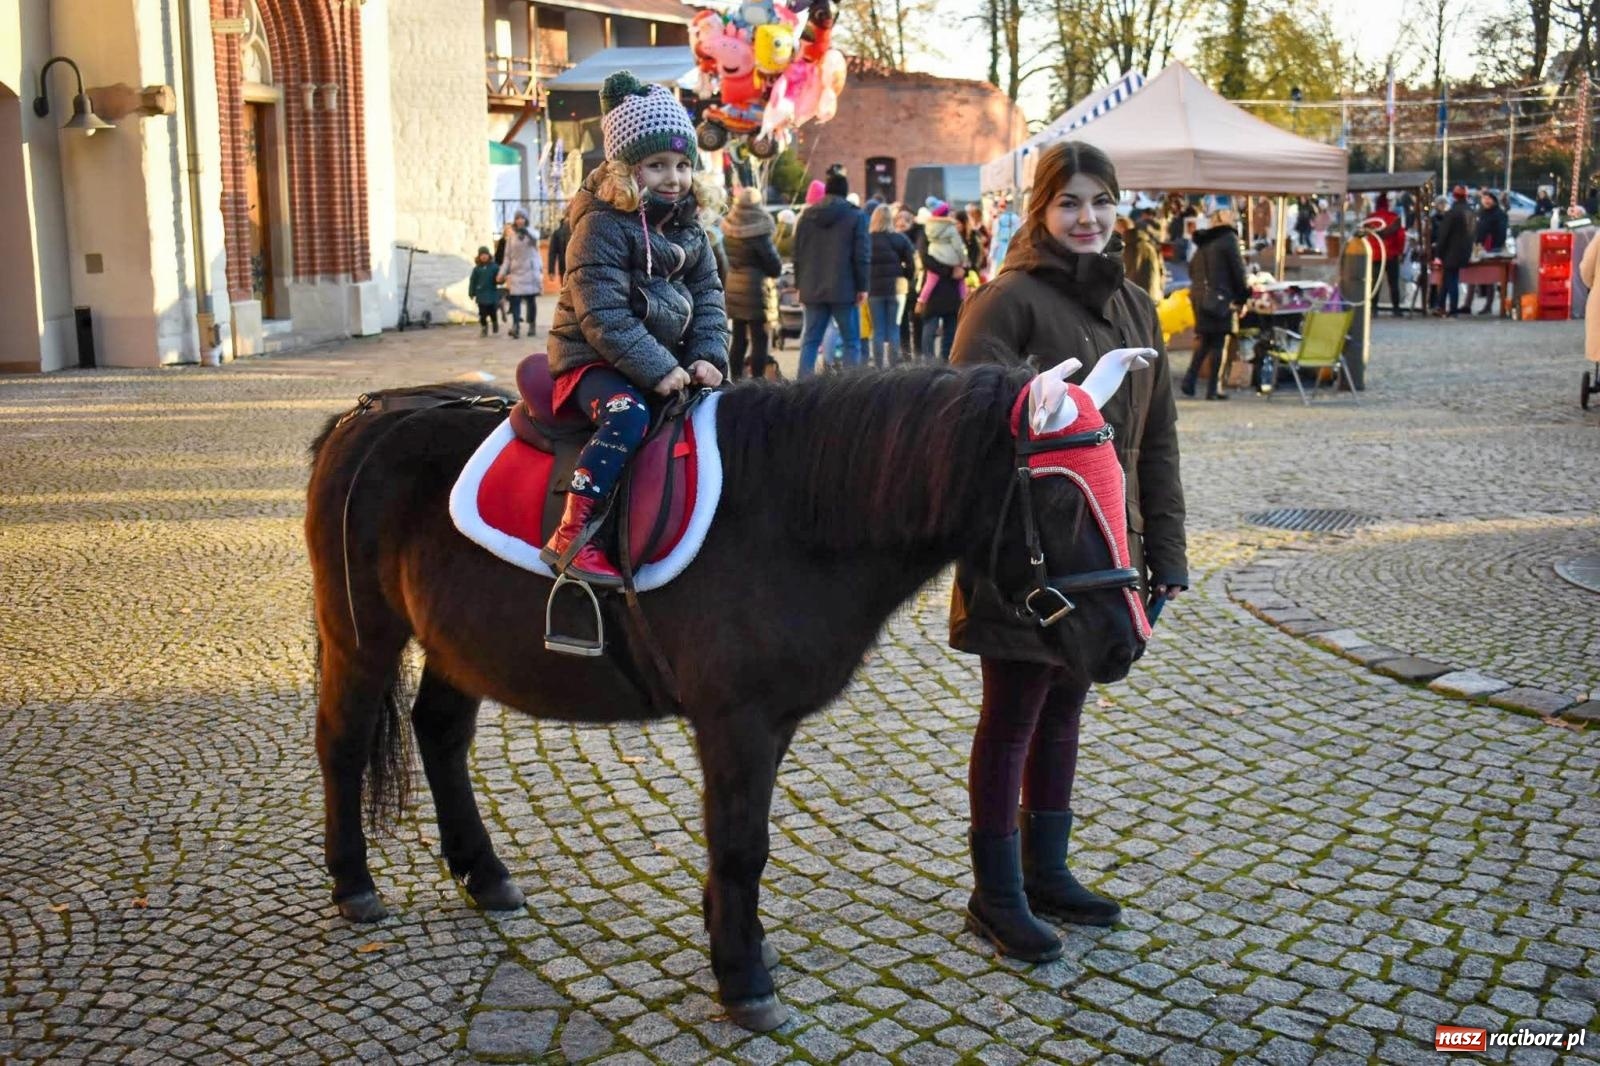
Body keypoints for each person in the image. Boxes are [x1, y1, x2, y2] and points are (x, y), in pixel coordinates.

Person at [949, 140, 1188, 960]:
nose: (1088, 219)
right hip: (1025, 558)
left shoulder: (1135, 304)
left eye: (1102, 203)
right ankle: (996, 891)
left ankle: (1047, 869)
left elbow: (1156, 443)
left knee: (1067, 708)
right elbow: (963, 433)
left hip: (1106, 556)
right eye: (1070, 203)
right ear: (1040, 210)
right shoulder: (1005, 303)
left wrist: (1169, 556)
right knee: (1013, 713)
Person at [542, 70, 729, 584]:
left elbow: (710, 298)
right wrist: (660, 367)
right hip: (592, 361)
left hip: (662, 361)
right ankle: (573, 533)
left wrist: (709, 355)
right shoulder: (601, 224)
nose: (673, 177)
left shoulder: (691, 229)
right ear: (627, 169)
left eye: (682, 164)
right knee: (628, 417)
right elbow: (602, 313)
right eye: (657, 165)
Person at [793, 170, 869, 376]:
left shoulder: (806, 216)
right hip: (844, 287)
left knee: (810, 341)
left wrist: (799, 284)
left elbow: (797, 253)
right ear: (845, 192)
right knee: (851, 341)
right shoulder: (856, 216)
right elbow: (861, 255)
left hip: (812, 286)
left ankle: (802, 386)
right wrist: (863, 286)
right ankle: (851, 387)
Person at [1183, 209, 1246, 399]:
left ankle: (1190, 380)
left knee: (1206, 340)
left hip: (1201, 297)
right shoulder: (1228, 239)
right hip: (1221, 298)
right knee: (1219, 342)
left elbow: (1192, 269)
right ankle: (1213, 388)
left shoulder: (1204, 242)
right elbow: (1238, 270)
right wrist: (1242, 297)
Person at [722, 186, 782, 380]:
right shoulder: (759, 230)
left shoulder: (728, 227)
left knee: (738, 336)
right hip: (756, 289)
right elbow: (774, 266)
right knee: (759, 338)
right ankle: (757, 380)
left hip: (733, 286)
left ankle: (737, 378)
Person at [867, 204, 916, 367]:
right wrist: (906, 276)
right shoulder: (900, 239)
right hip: (897, 287)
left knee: (878, 330)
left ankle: (879, 366)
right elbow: (911, 264)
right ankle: (894, 365)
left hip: (874, 288)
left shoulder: (867, 239)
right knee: (894, 327)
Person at [916, 203, 966, 361]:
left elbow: (925, 259)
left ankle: (936, 361)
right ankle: (940, 361)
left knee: (936, 327)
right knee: (942, 327)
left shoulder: (927, 231)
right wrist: (953, 270)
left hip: (936, 285)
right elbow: (926, 259)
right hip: (949, 284)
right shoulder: (951, 230)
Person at [497, 210, 543, 340]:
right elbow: (507, 257)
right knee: (515, 300)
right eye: (517, 218)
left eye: (522, 218)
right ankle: (516, 326)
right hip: (517, 272)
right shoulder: (511, 238)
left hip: (530, 271)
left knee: (530, 300)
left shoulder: (532, 233)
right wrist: (502, 273)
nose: (520, 220)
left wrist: (526, 232)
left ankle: (532, 324)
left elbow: (535, 240)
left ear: (526, 219)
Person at [1432, 185, 1474, 317]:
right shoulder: (1471, 212)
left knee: (1451, 280)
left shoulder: (1452, 213)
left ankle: (1453, 309)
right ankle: (1440, 305)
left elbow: (1443, 235)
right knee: (1447, 279)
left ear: (1454, 196)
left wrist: (1438, 253)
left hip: (1451, 252)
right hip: (1465, 250)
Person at [1365, 194, 1407, 316]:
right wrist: (1400, 252)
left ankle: (1373, 308)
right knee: (1393, 283)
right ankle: (1396, 308)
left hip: (1375, 255)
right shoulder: (1394, 218)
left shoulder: (1370, 219)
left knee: (1374, 282)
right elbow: (1401, 237)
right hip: (1391, 255)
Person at [1470, 191, 1509, 315]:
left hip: (1492, 248)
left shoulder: (1499, 214)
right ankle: (1467, 303)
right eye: (1484, 198)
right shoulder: (1480, 213)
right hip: (1478, 247)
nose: (1486, 201)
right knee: (1473, 275)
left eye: (1488, 198)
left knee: (1490, 277)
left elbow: (1501, 232)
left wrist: (1495, 245)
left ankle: (1489, 304)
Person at [1122, 207, 1164, 304]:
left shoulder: (1131, 247)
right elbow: (1161, 271)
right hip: (1152, 295)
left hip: (1137, 299)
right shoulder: (1149, 245)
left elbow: (1129, 275)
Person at [467, 245, 502, 337]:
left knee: (492, 312)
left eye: (485, 254)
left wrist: (501, 280)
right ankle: (484, 327)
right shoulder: (477, 269)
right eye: (482, 255)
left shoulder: (494, 267)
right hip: (481, 295)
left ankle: (494, 323)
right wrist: (471, 292)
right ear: (479, 257)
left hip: (492, 294)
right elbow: (473, 281)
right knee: (482, 314)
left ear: (489, 255)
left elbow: (500, 277)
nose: (484, 256)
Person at [988, 196, 1020, 276]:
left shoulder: (1000, 219)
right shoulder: (1014, 218)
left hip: (1005, 250)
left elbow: (995, 238)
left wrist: (991, 254)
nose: (1001, 208)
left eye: (1002, 206)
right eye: (1000, 206)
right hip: (1007, 250)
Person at [547, 215, 572, 286]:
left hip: (578, 267)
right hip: (564, 267)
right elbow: (552, 253)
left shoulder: (578, 229)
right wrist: (551, 271)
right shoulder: (557, 233)